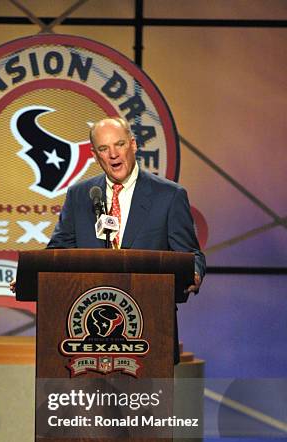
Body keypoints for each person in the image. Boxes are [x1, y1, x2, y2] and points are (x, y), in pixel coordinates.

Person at [11, 116, 206, 362]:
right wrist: (31, 276)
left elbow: (191, 254)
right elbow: (58, 253)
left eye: (120, 144)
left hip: (150, 330)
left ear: (133, 145)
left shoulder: (169, 196)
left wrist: (195, 272)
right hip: (84, 335)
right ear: (95, 155)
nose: (113, 154)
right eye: (104, 148)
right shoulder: (80, 195)